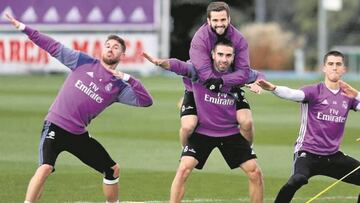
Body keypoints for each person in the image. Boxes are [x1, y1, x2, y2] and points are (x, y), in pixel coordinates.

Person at [5, 13, 153, 203]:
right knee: (45, 168)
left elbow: (146, 101)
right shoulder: (82, 62)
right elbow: (51, 46)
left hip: (77, 134)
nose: (110, 49)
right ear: (102, 49)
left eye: (116, 47)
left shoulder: (119, 87)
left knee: (112, 169)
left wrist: (129, 78)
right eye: (108, 45)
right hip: (55, 126)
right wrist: (24, 28)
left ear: (122, 55)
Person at [143, 37, 264, 203]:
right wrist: (160, 63)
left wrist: (257, 82)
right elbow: (179, 66)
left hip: (230, 131)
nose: (224, 59)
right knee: (184, 169)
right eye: (220, 54)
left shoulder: (239, 73)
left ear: (234, 57)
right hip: (203, 132)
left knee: (255, 172)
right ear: (213, 54)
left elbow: (259, 76)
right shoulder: (200, 69)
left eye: (228, 55)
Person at [256, 50, 360, 203]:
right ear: (324, 68)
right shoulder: (314, 91)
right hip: (308, 153)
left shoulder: (348, 95)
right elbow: (292, 94)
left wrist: (357, 94)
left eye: (338, 64)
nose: (334, 67)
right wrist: (274, 89)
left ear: (344, 69)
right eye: (330, 64)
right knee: (298, 179)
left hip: (333, 155)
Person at [179, 1, 260, 148]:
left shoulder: (239, 39)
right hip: (197, 88)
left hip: (229, 88)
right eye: (215, 20)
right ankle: (185, 151)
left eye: (223, 19)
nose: (219, 23)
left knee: (247, 122)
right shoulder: (200, 39)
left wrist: (222, 81)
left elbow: (243, 72)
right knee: (188, 127)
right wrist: (216, 81)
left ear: (229, 19)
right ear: (208, 20)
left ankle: (248, 150)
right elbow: (204, 73)